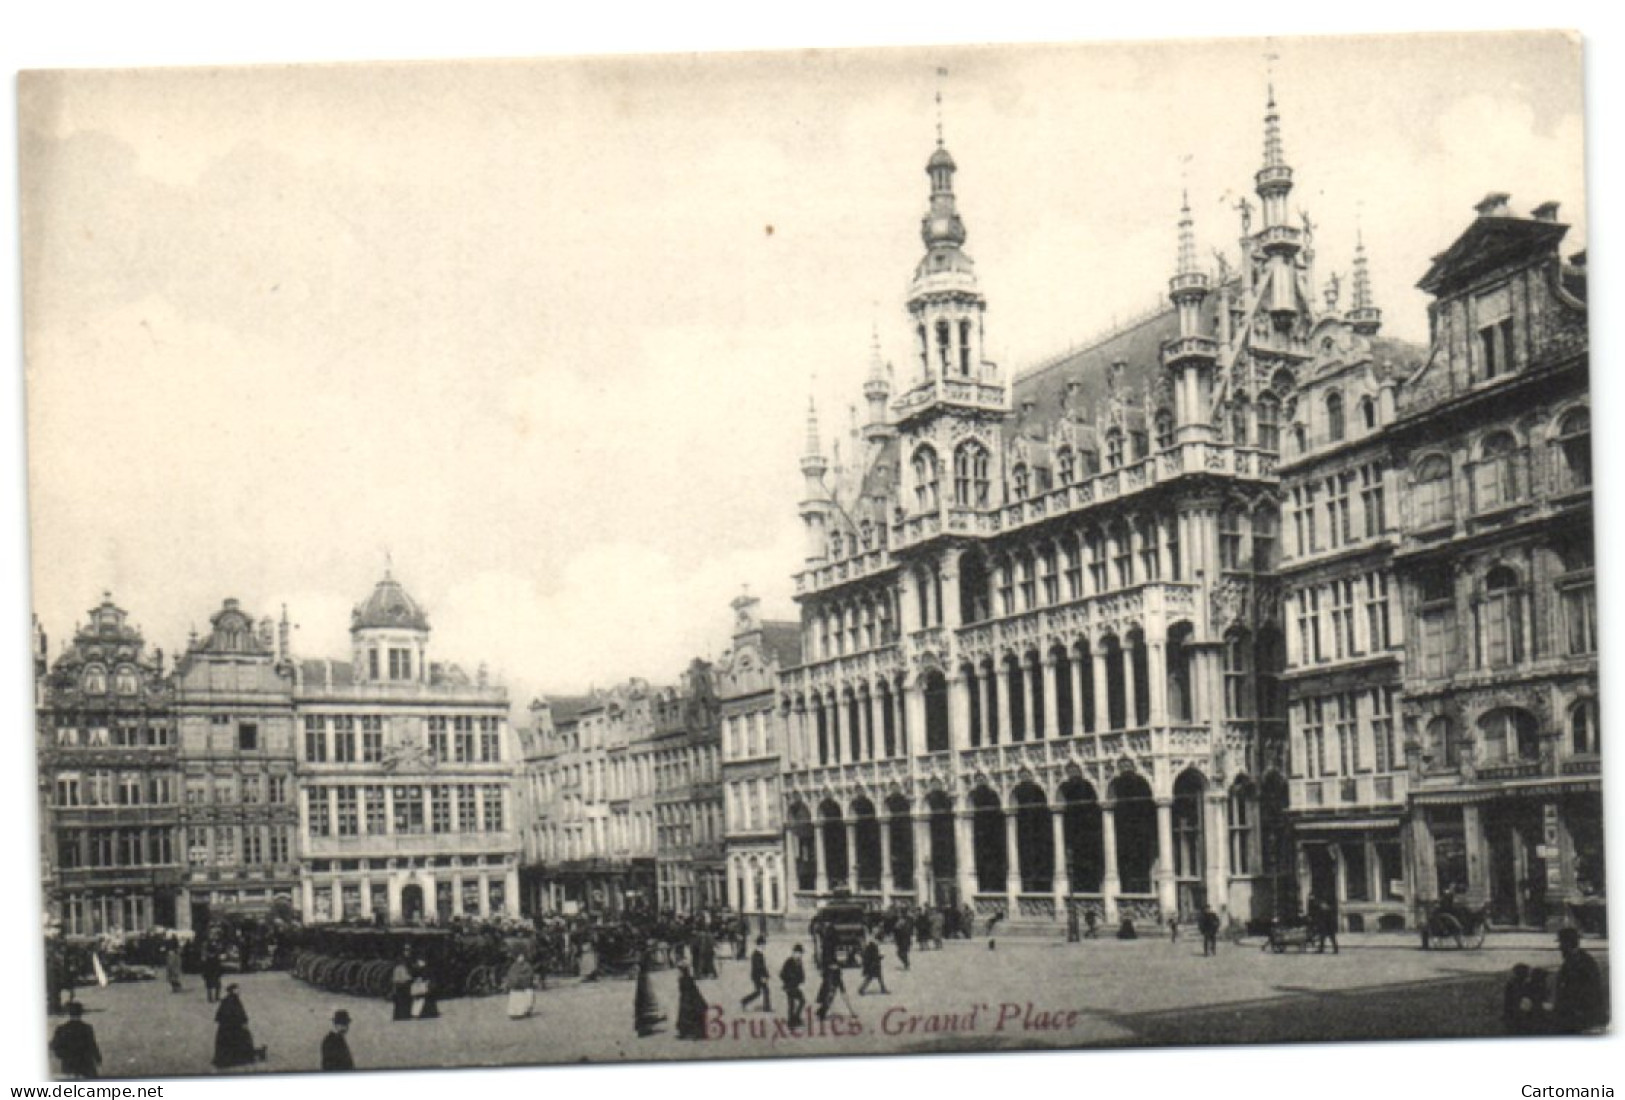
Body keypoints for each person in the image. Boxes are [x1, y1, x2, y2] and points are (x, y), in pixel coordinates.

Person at [1551, 927, 1609, 1033]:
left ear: (1569, 943)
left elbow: (1586, 992)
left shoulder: (1583, 962)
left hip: (1582, 1018)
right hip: (1575, 1015)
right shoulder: (1573, 960)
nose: (1559, 947)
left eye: (1562, 943)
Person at [212, 984, 263, 1069]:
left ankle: (234, 1058)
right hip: (233, 1027)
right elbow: (236, 1013)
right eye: (237, 989)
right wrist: (242, 1021)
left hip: (228, 1027)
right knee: (239, 1040)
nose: (239, 991)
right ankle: (236, 1058)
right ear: (232, 991)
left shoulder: (230, 1000)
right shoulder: (232, 1001)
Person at [50, 1001, 101, 1079]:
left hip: (69, 1064)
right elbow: (92, 1045)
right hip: (85, 1064)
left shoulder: (62, 1029)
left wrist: (63, 1056)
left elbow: (54, 1045)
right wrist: (97, 1058)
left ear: (69, 1014)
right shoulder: (86, 1028)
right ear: (81, 1013)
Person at [633, 948, 665, 1037]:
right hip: (645, 977)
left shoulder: (643, 976)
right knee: (647, 996)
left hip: (644, 977)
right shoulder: (645, 976)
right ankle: (649, 1020)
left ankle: (646, 1020)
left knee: (644, 997)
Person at [675, 963, 709, 1040]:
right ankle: (688, 1032)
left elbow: (686, 990)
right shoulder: (687, 979)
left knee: (688, 1015)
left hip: (688, 999)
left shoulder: (684, 980)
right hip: (688, 999)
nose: (678, 973)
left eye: (679, 971)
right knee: (687, 1015)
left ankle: (689, 1032)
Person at [741, 937, 773, 1012]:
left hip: (759, 976)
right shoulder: (755, 954)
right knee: (760, 991)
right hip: (757, 976)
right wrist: (762, 977)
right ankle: (744, 1001)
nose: (764, 946)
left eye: (764, 945)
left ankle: (766, 1007)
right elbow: (758, 967)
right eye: (763, 945)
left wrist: (767, 975)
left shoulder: (760, 954)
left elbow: (763, 966)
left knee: (763, 991)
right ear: (759, 945)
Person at [814, 954, 848, 1021]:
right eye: (832, 965)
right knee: (826, 1002)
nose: (834, 966)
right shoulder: (828, 972)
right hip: (826, 989)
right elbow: (825, 979)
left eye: (835, 965)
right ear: (830, 965)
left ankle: (820, 1012)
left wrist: (842, 989)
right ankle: (821, 1014)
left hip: (832, 990)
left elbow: (840, 981)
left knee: (828, 1002)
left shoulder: (837, 972)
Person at [780, 944, 807, 1026]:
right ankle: (792, 1021)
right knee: (792, 1003)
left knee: (802, 1001)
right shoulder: (789, 962)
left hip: (795, 986)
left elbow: (802, 974)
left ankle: (795, 1018)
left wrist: (801, 978)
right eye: (798, 953)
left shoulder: (799, 962)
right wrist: (789, 978)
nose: (799, 955)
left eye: (800, 953)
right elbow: (782, 974)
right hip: (789, 986)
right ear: (794, 953)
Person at [504, 953, 536, 1020]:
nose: (521, 958)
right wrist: (515, 981)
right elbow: (511, 975)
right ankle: (513, 1013)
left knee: (528, 996)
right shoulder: (513, 966)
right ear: (517, 958)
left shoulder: (527, 966)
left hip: (525, 987)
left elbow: (530, 975)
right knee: (515, 998)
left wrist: (521, 979)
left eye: (522, 957)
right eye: (519, 957)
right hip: (516, 987)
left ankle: (524, 1012)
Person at [391, 951, 414, 1021]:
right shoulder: (401, 968)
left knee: (399, 1002)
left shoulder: (397, 968)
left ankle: (399, 1015)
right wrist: (410, 978)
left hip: (399, 986)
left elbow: (395, 979)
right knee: (404, 1001)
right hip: (403, 985)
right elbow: (405, 977)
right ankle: (404, 1015)